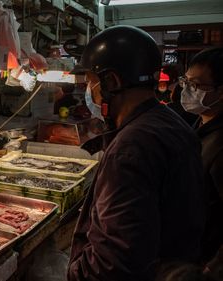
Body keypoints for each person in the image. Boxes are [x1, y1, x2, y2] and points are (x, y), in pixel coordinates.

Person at [68, 25, 205, 281]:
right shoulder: (170, 121)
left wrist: (77, 273)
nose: (89, 93)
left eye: (91, 83)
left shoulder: (131, 147)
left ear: (111, 81)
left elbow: (115, 262)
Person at [179, 47, 223, 263]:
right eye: (185, 82)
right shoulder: (198, 126)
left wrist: (211, 271)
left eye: (195, 85)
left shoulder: (220, 144)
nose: (187, 90)